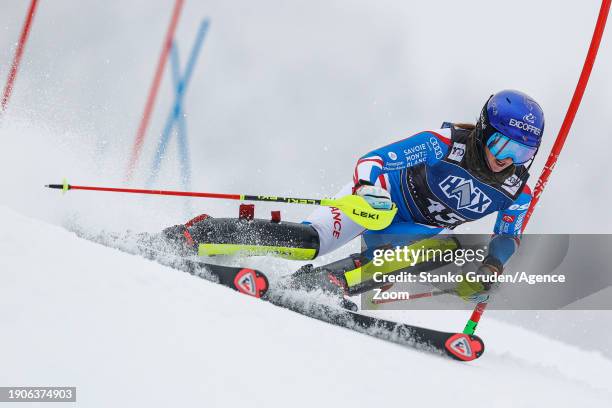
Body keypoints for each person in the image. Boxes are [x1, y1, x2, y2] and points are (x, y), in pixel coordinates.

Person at [163, 89, 544, 302]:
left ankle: (322, 285)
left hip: (409, 234)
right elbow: (374, 159)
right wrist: (367, 190)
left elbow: (507, 236)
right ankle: (204, 234)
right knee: (311, 241)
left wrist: (493, 267)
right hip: (379, 205)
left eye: (522, 153)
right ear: (482, 130)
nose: (506, 160)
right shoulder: (444, 144)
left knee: (443, 248)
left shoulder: (517, 190)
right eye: (501, 144)